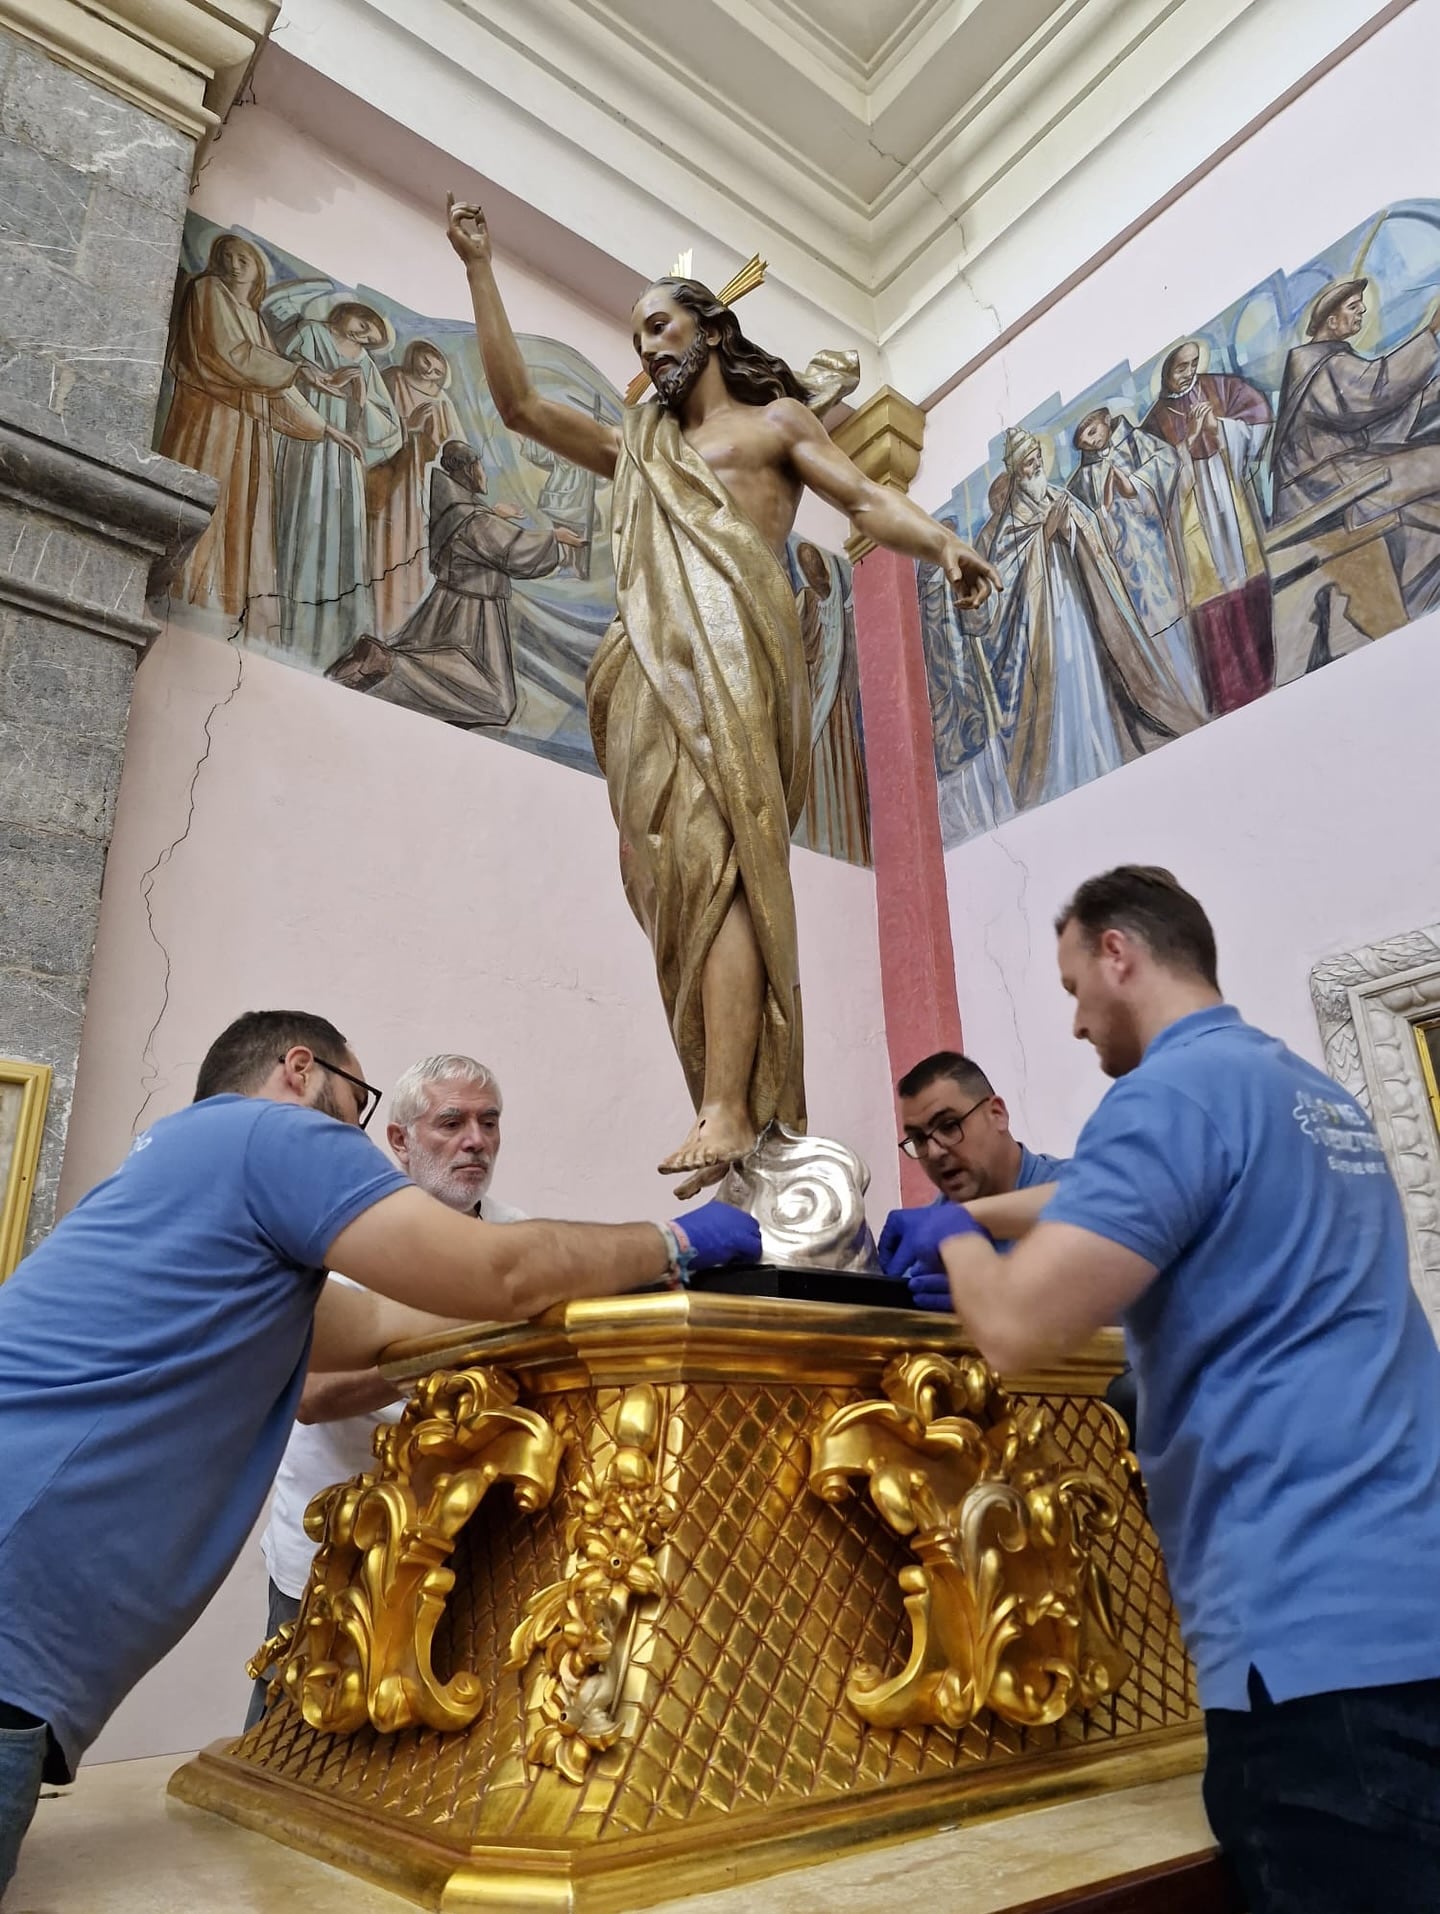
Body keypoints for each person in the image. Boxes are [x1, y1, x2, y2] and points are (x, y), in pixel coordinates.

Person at [0, 1010, 759, 1893]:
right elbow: (496, 1276)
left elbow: (383, 1328)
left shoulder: (182, 1173)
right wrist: (669, 1240)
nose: (356, 1132)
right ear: (298, 1069)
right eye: (358, 1102)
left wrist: (616, 1279)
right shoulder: (272, 1135)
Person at [891, 866, 1440, 1911]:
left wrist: (955, 1235)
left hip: (1311, 1652)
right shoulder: (1307, 1094)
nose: (1076, 1025)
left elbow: (1012, 1332)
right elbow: (1135, 1198)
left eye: (1070, 990)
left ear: (1118, 953)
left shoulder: (1164, 1095)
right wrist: (994, 1219)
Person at [444, 193, 1001, 1197]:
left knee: (724, 869)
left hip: (739, 664)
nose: (648, 347)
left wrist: (943, 540)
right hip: (648, 673)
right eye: (637, 335)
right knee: (658, 882)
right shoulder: (639, 448)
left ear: (711, 328)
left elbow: (865, 497)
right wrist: (480, 268)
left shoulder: (775, 424)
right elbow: (523, 405)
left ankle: (733, 1109)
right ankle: (718, 1087)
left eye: (660, 324)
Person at [245, 1052, 527, 1730]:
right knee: (290, 1731)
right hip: (335, 1535)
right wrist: (454, 1341)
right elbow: (310, 1397)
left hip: (460, 1539)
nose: (476, 1141)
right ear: (398, 1141)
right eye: (451, 1123)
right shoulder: (340, 1236)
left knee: (430, 1732)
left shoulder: (518, 1240)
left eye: (489, 1123)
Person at [972, 429, 1195, 814]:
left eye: (1037, 458)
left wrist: (1070, 526)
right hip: (1048, 624)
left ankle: (1104, 750)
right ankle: (1073, 767)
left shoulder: (1058, 494)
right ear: (1015, 472)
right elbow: (1002, 582)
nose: (1036, 465)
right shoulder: (1005, 525)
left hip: (1081, 603)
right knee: (1067, 685)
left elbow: (1092, 527)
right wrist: (1044, 535)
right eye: (1028, 462)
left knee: (1092, 673)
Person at [158, 233, 353, 623]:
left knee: (238, 506)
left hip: (245, 429)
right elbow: (228, 354)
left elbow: (273, 383)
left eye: (242, 258)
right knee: (206, 496)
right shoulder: (208, 290)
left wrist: (324, 426)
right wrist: (297, 369)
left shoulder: (256, 320)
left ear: (257, 270)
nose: (232, 264)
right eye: (225, 256)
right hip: (209, 416)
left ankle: (217, 601)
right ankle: (183, 587)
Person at [327, 440, 584, 726]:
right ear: (468, 471)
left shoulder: (455, 508)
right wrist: (555, 538)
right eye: (479, 467)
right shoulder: (472, 518)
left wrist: (493, 515)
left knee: (447, 663)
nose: (484, 475)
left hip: (450, 604)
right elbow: (508, 548)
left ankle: (388, 662)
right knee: (496, 699)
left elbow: (479, 535)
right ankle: (391, 665)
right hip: (474, 611)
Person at [1270, 278, 1440, 622]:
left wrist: (1432, 392)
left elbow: (1374, 422)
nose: (1362, 309)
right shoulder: (1315, 366)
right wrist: (1432, 332)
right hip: (1320, 487)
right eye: (1353, 306)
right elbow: (1374, 390)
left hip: (1344, 472)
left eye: (1361, 304)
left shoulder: (1331, 361)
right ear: (1331, 321)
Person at [1141, 342, 1273, 714]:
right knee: (1209, 588)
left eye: (1193, 364)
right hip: (1191, 508)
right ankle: (1228, 690)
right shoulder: (1153, 422)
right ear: (1166, 371)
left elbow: (1257, 419)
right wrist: (1188, 440)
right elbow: (1157, 482)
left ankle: (1264, 672)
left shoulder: (1216, 388)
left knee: (1245, 572)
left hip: (1226, 490)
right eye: (1180, 367)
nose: (1188, 372)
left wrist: (1219, 428)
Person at [274, 302, 403, 667]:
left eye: (371, 335)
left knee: (338, 533)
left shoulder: (365, 363)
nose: (364, 335)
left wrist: (359, 392)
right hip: (304, 441)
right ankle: (287, 621)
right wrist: (310, 372)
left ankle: (335, 638)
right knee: (303, 521)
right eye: (364, 323)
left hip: (343, 454)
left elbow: (389, 428)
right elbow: (278, 367)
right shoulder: (311, 333)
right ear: (344, 312)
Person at [886, 1049, 1066, 1310]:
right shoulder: (923, 1242)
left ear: (997, 1114)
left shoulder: (1075, 1184)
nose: (935, 1152)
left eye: (948, 1126)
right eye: (920, 1139)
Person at [1067, 408, 1207, 726]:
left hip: (1158, 549)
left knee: (1181, 623)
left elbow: (1170, 463)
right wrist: (1102, 514)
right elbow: (1088, 528)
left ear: (1106, 421)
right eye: (1084, 438)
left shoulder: (1136, 442)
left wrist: (1136, 485)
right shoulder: (1081, 481)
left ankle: (1202, 695)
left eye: (1093, 430)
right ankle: (1181, 705)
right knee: (1155, 640)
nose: (1091, 440)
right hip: (1126, 571)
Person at [366, 338, 466, 636]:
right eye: (427, 362)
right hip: (389, 473)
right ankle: (376, 620)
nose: (430, 371)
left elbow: (452, 446)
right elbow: (371, 422)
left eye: (437, 370)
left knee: (415, 548)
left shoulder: (442, 400)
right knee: (382, 543)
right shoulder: (393, 380)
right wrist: (408, 425)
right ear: (415, 355)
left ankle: (404, 623)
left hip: (421, 482)